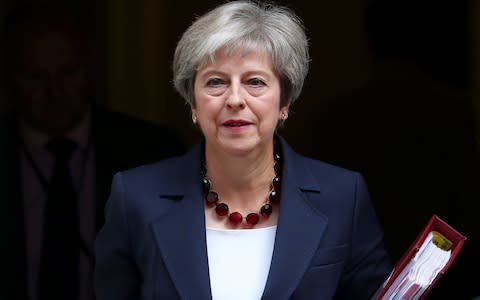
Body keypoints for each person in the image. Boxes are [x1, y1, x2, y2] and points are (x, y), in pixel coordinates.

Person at [94, 1, 391, 299]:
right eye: (216, 82)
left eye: (255, 82)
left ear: (284, 102)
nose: (235, 98)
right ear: (193, 104)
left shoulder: (342, 196)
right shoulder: (134, 197)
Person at [0, 3, 184, 300]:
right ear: (10, 77)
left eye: (68, 73)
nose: (54, 93)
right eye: (36, 77)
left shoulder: (151, 152)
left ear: (92, 66)